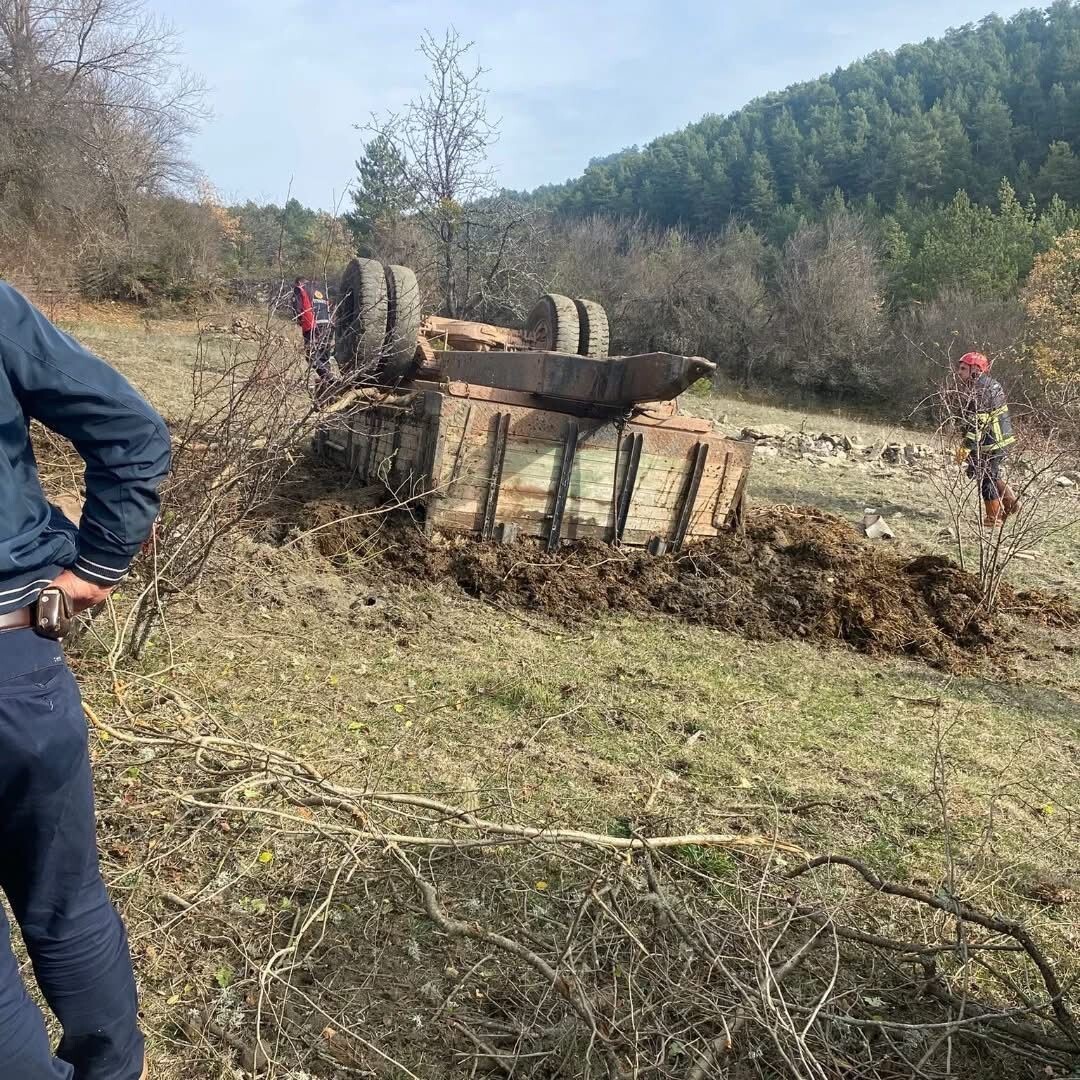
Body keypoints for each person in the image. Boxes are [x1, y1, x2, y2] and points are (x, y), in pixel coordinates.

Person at [0, 283, 170, 1079]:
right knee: (68, 901)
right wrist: (95, 570)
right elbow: (134, 431)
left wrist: (94, 566)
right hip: (22, 666)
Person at [953, 351, 1019, 526]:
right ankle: (1010, 502)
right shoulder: (988, 384)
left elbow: (977, 423)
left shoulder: (980, 390)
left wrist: (966, 447)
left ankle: (993, 519)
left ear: (975, 369)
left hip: (992, 441)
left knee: (986, 479)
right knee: (990, 473)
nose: (959, 372)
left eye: (963, 368)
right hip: (998, 439)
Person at [292, 277, 334, 395]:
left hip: (312, 326)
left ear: (298, 282)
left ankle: (330, 380)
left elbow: (298, 309)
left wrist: (300, 321)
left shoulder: (299, 289)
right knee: (324, 356)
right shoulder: (320, 291)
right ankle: (327, 388)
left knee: (310, 355)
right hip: (328, 325)